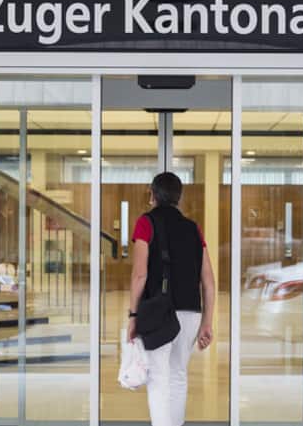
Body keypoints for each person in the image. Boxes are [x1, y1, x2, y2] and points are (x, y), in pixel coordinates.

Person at [127, 172, 216, 426]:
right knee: (177, 376)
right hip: (190, 313)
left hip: (159, 313)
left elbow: (140, 274)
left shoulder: (146, 222)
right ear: (179, 197)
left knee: (158, 378)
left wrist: (133, 316)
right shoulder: (193, 228)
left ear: (152, 195)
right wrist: (207, 322)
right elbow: (209, 282)